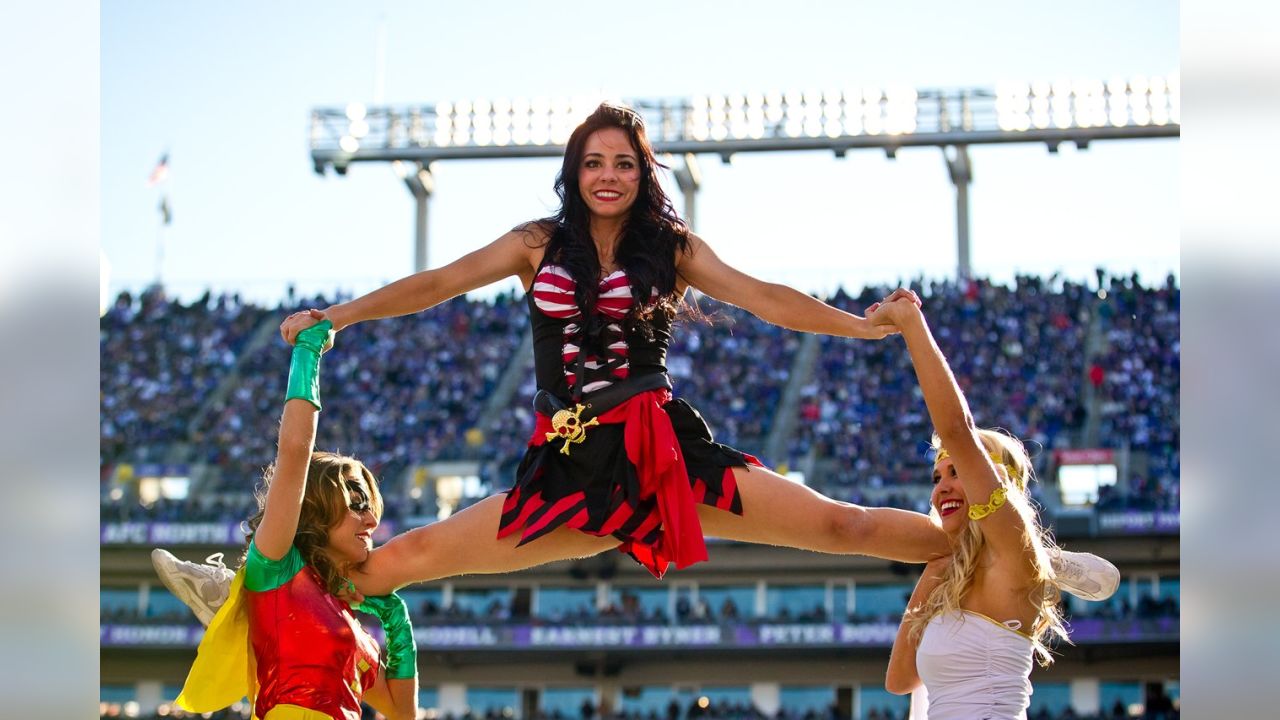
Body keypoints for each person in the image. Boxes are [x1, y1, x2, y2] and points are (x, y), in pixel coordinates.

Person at [157, 101, 1115, 616]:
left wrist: (860, 327)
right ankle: (245, 592)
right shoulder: (535, 240)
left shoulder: (674, 244)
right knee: (411, 557)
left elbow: (765, 297)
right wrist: (345, 313)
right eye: (593, 162)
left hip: (662, 451)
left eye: (623, 161)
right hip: (568, 464)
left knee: (846, 527)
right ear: (574, 173)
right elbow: (441, 279)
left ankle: (1034, 552)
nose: (608, 175)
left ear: (641, 170)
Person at [168, 320, 418, 720]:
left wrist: (396, 620)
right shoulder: (279, 568)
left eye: (370, 503)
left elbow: (402, 715)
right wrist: (308, 352)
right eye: (355, 501)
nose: (370, 517)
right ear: (314, 510)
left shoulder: (353, 628)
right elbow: (296, 452)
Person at [875, 295, 1076, 719]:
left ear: (994, 481)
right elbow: (899, 680)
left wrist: (911, 323)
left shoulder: (1015, 557)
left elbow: (956, 429)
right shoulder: (949, 573)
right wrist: (936, 563)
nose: (941, 488)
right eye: (937, 477)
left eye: (957, 472)